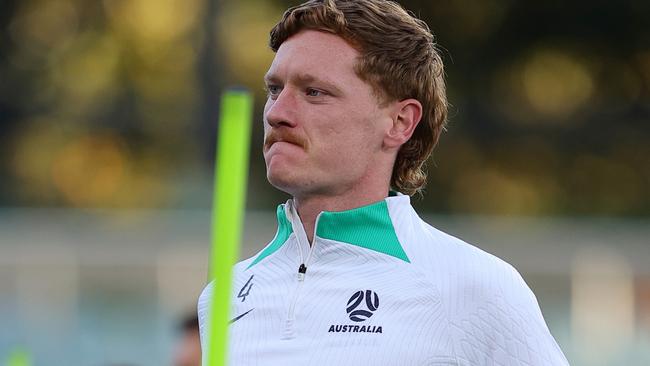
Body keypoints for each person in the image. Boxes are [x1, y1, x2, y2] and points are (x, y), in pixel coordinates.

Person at [198, 0, 569, 364]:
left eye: (314, 92)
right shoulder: (221, 296)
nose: (278, 113)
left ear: (400, 123)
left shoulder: (475, 288)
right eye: (275, 89)